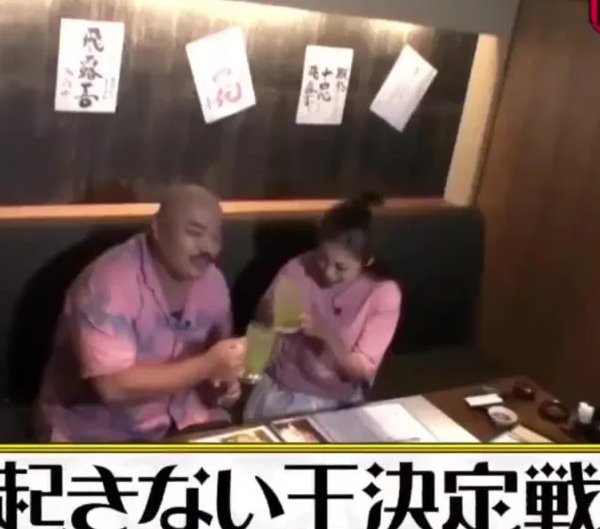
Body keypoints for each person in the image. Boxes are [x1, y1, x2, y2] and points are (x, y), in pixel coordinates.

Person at [35, 183, 246, 442]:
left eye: (215, 237)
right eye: (194, 232)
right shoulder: (107, 283)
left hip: (185, 418)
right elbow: (113, 388)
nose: (208, 248)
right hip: (99, 430)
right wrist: (207, 365)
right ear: (157, 227)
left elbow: (214, 365)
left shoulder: (213, 282)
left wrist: (222, 385)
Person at [242, 193, 403, 422]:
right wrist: (269, 314)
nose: (328, 272)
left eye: (341, 267)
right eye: (322, 258)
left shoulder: (382, 294)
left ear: (366, 261)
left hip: (334, 401)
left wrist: (326, 334)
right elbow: (259, 327)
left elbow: (362, 371)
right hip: (278, 389)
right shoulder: (298, 267)